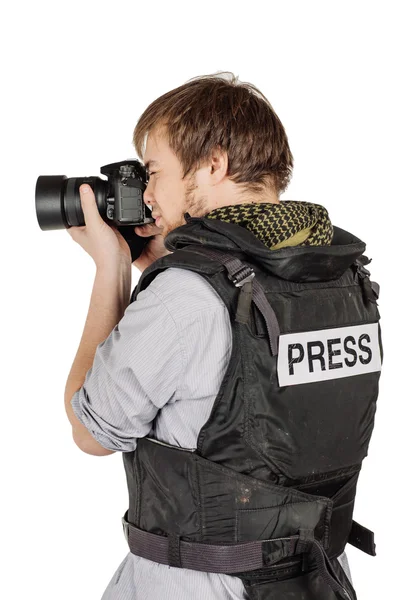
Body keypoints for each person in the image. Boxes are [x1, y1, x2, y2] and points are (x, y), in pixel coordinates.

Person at [64, 72, 382, 600]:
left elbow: (91, 430)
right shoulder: (347, 281)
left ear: (213, 163)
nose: (146, 194)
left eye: (153, 171)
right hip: (318, 581)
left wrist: (112, 270)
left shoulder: (187, 295)